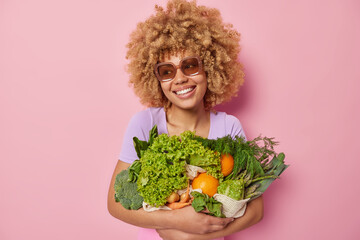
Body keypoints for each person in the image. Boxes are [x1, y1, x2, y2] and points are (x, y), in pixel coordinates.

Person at [107, 0, 264, 239]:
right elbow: (115, 204)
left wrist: (197, 235)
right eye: (167, 71)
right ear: (156, 79)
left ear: (210, 68)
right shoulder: (144, 124)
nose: (180, 78)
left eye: (190, 66)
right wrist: (176, 219)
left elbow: (256, 210)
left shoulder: (228, 127)